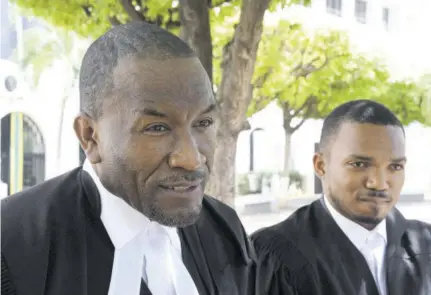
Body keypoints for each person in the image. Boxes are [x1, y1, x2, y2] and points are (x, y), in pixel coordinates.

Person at [1, 22, 256, 295]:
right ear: (90, 136)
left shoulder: (225, 230)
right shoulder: (12, 243)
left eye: (203, 122)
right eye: (157, 128)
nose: (192, 159)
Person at [251, 100, 431, 295]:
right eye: (360, 164)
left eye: (395, 167)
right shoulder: (274, 256)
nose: (379, 183)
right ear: (321, 165)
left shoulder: (425, 244)